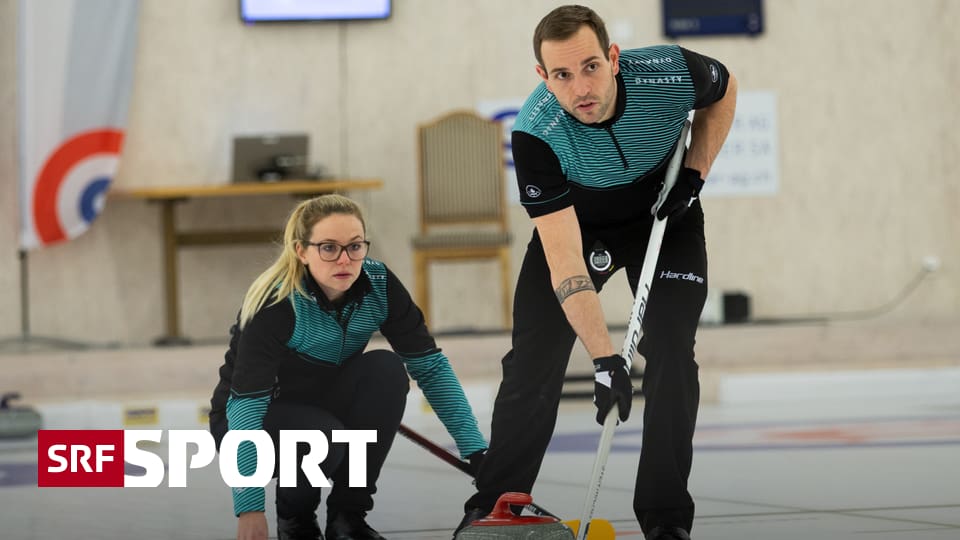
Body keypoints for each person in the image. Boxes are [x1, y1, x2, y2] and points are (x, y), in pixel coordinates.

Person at [456, 5, 736, 540]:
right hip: (579, 226)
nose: (581, 88)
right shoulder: (535, 133)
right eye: (562, 74)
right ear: (543, 76)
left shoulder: (671, 71)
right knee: (534, 357)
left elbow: (725, 90)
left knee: (672, 349)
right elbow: (565, 263)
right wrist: (605, 359)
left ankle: (666, 519)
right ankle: (495, 507)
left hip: (665, 213)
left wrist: (694, 174)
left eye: (590, 67)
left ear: (613, 58)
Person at [209, 194, 487, 540]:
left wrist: (477, 450)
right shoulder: (276, 303)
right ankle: (296, 521)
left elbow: (430, 367)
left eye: (355, 247)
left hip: (325, 407)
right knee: (319, 435)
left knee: (385, 369)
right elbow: (246, 407)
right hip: (254, 420)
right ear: (301, 251)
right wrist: (250, 509)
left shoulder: (379, 285)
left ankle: (348, 518)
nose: (345, 259)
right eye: (329, 248)